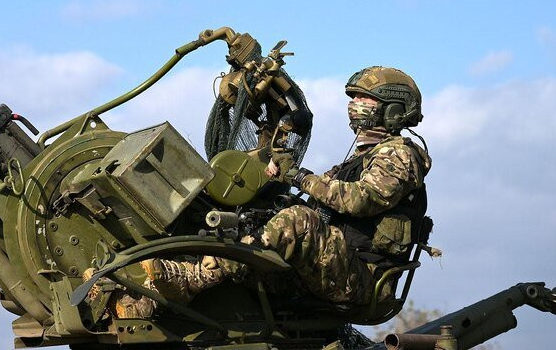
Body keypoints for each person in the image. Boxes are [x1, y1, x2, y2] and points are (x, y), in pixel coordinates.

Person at [143, 66, 432, 307]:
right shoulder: (360, 159)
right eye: (353, 97)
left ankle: (196, 277)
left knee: (297, 221)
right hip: (334, 267)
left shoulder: (400, 155)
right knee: (256, 221)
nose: (353, 104)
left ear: (393, 109)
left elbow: (360, 200)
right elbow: (321, 197)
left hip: (364, 280)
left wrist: (297, 176)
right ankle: (147, 300)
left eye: (363, 98)